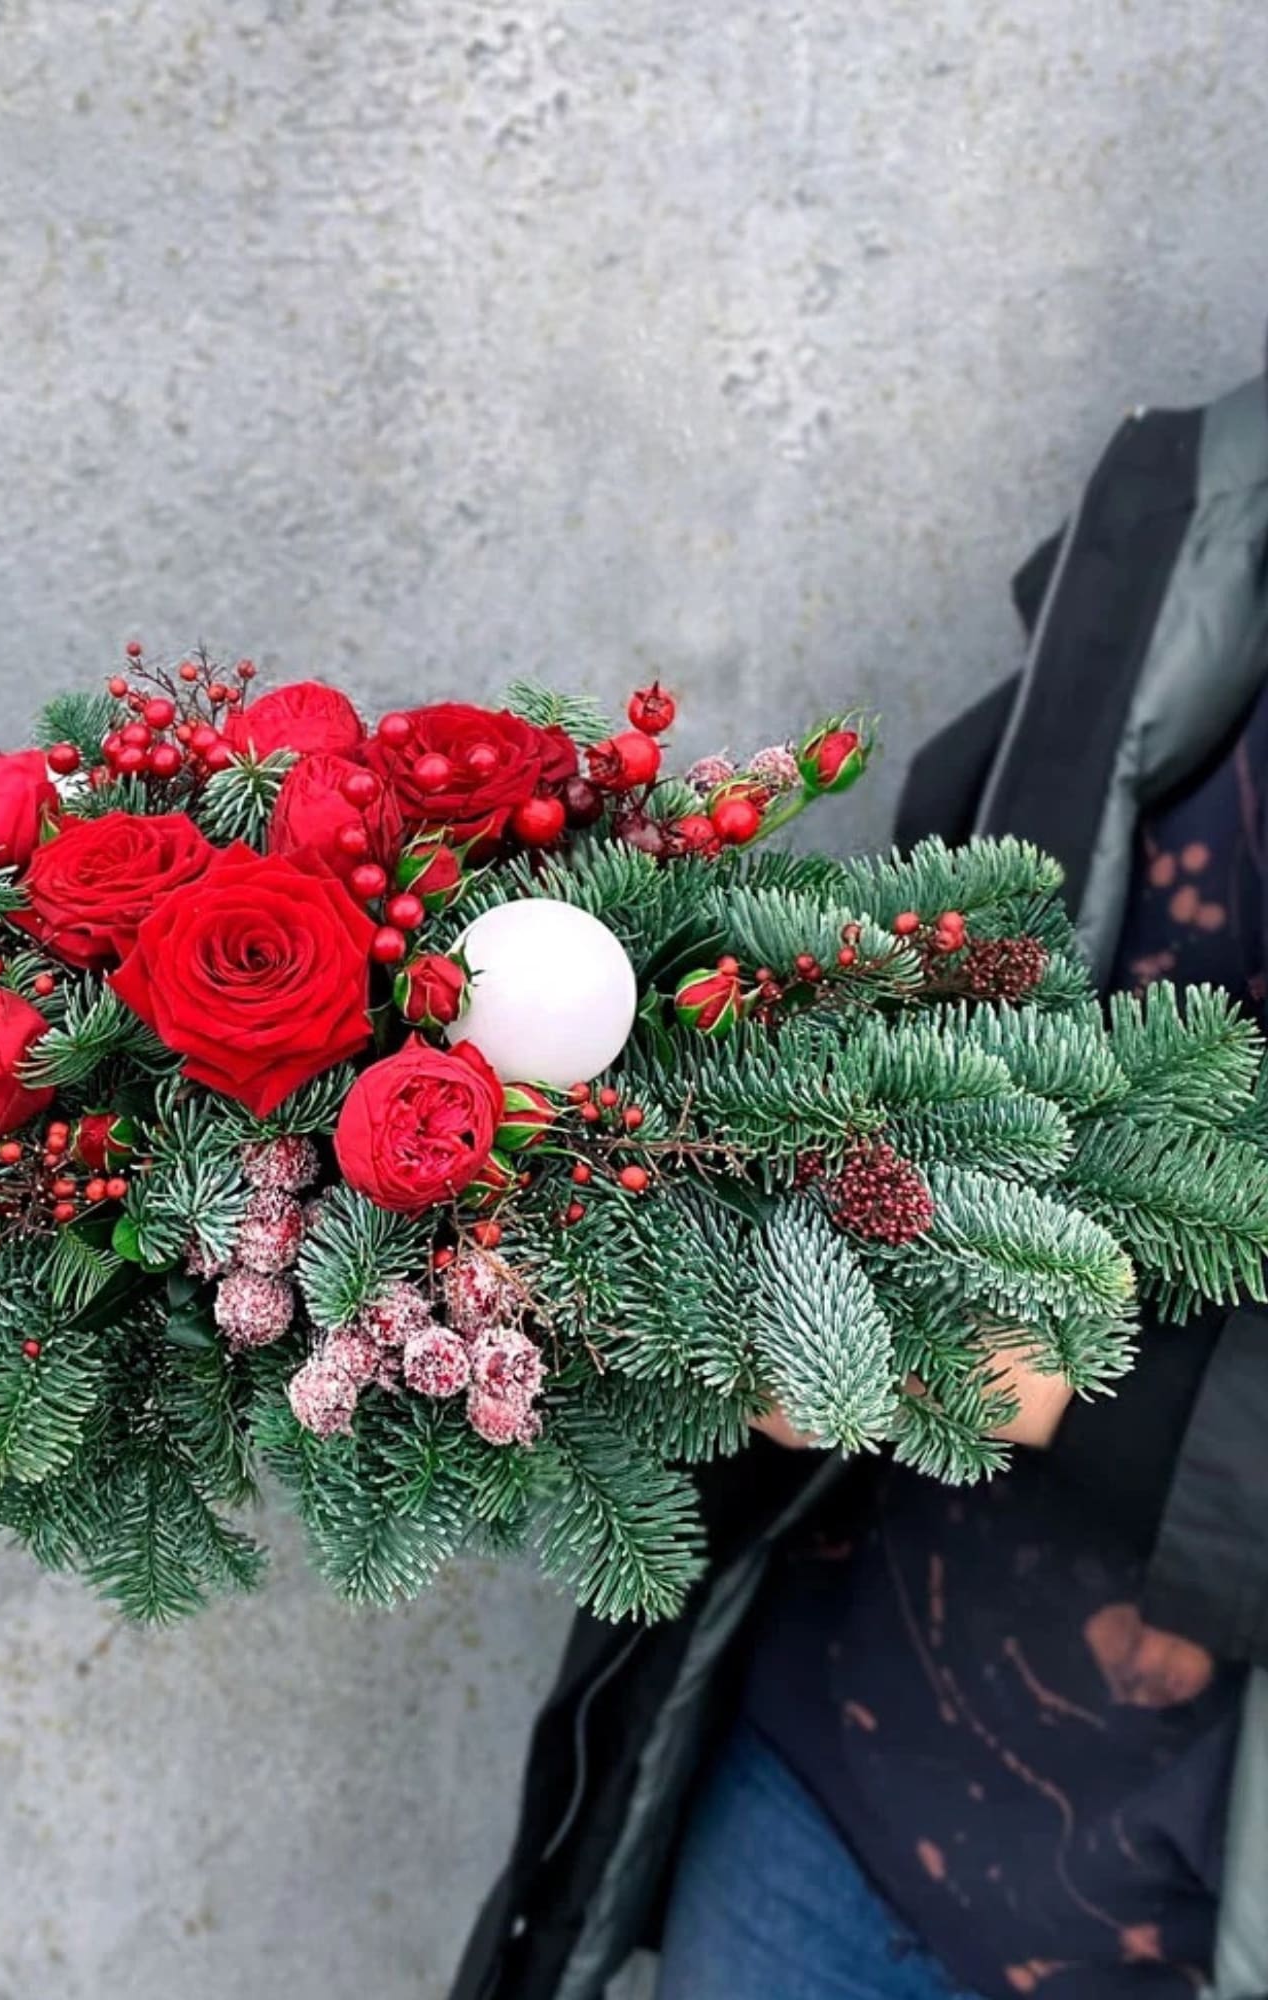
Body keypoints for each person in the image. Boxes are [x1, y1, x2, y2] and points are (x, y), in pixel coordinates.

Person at [453, 367, 1268, 2000]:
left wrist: (1059, 1384)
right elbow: (952, 990)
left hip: (1157, 1942)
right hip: (819, 1789)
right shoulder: (1211, 533)